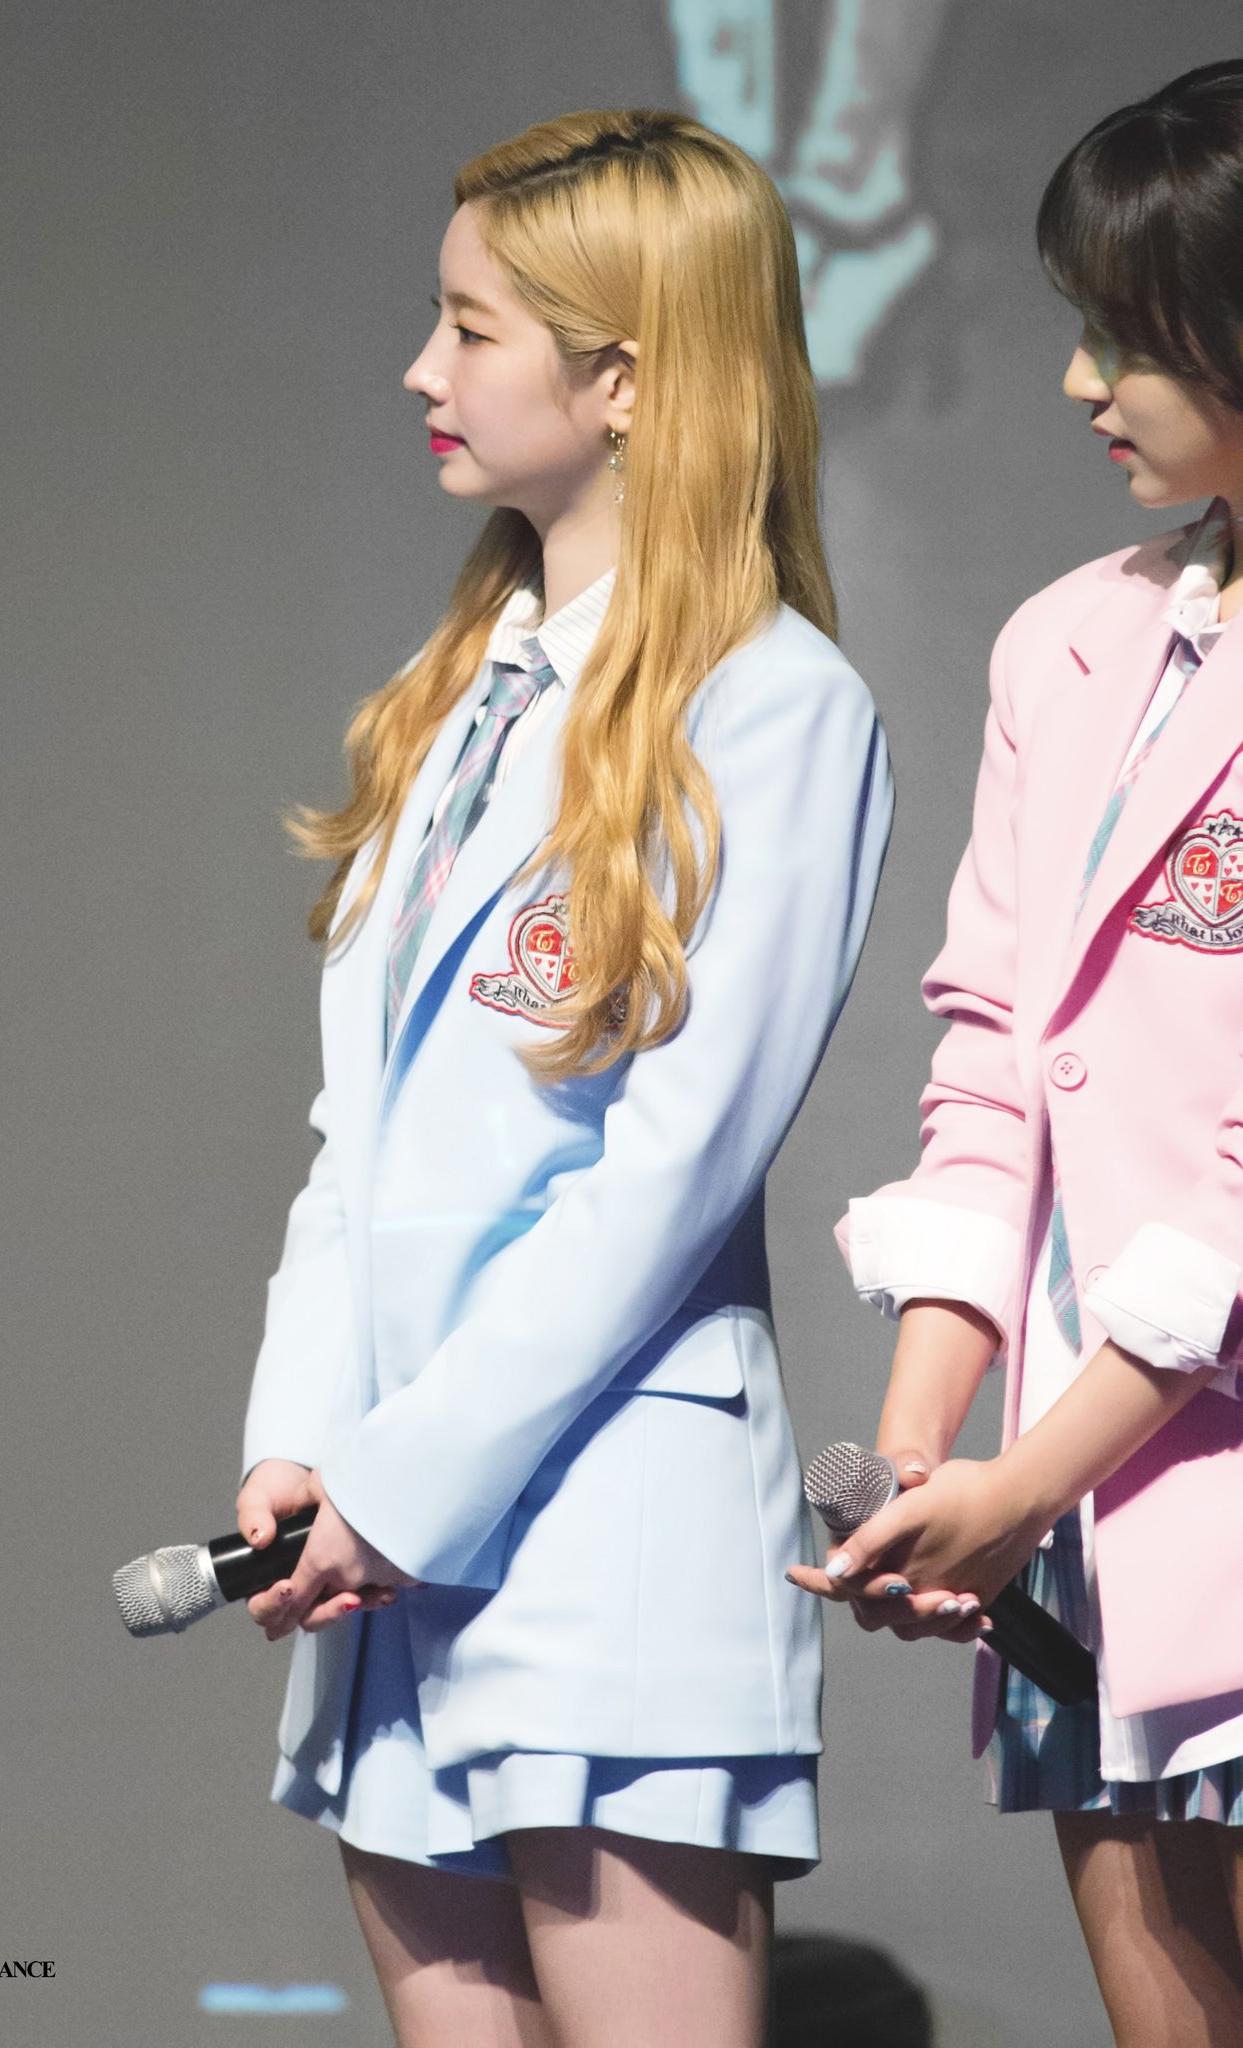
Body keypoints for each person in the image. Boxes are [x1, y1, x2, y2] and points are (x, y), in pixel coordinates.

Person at [233, 110, 892, 2048]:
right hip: (382, 1560)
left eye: (468, 329)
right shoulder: (453, 695)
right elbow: (355, 1141)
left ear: (621, 377)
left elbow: (665, 1175)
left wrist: (401, 1479)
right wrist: (306, 1442)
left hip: (606, 1538)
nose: (418, 371)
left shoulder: (773, 705)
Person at [790, 59, 1243, 2048]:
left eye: (1123, 334)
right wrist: (921, 1461)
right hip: (1082, 1532)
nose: (1078, 383)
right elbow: (990, 1063)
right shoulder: (1066, 639)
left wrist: (1025, 1476)